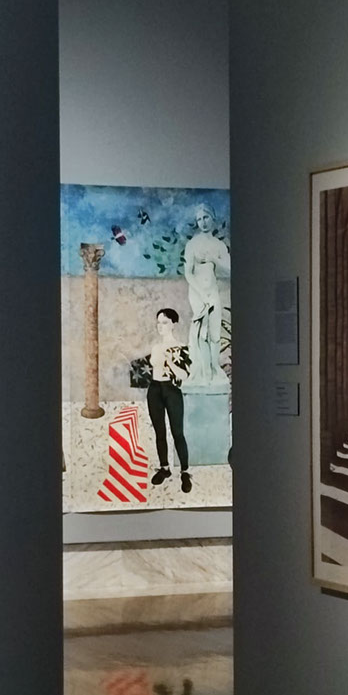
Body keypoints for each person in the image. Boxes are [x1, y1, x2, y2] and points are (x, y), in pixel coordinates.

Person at [139, 308, 192, 493]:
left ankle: (185, 472)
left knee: (178, 432)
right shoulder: (155, 347)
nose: (160, 326)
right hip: (155, 390)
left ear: (174, 324)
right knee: (159, 432)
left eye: (165, 322)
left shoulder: (181, 347)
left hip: (171, 390)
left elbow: (184, 375)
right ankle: (164, 468)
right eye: (158, 323)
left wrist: (169, 360)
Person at [184, 203, 230, 385]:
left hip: (212, 292)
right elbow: (188, 273)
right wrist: (201, 295)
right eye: (199, 219)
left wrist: (213, 260)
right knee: (202, 332)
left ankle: (214, 366)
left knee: (215, 332)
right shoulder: (192, 244)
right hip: (197, 292)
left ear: (213, 218)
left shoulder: (219, 245)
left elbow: (229, 269)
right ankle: (204, 372)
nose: (203, 222)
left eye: (206, 217)